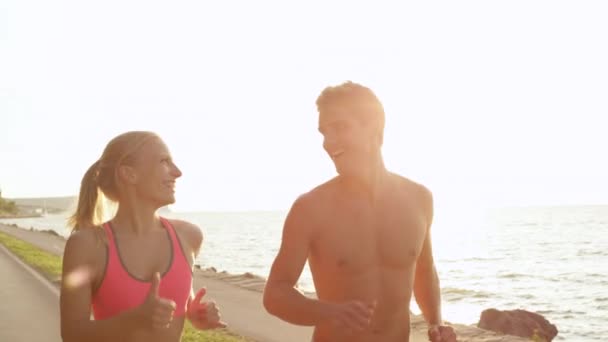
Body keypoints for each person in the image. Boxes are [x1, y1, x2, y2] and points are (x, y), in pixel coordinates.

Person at [263, 82, 457, 342]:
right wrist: (327, 312)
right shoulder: (310, 208)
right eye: (323, 132)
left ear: (375, 127)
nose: (328, 142)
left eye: (340, 127)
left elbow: (424, 270)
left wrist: (435, 322)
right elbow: (275, 293)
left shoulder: (419, 199)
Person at [60, 131, 226, 342]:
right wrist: (133, 320)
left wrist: (195, 312)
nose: (177, 172)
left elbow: (180, 301)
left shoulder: (189, 237)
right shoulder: (87, 245)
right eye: (164, 162)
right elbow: (72, 334)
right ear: (129, 174)